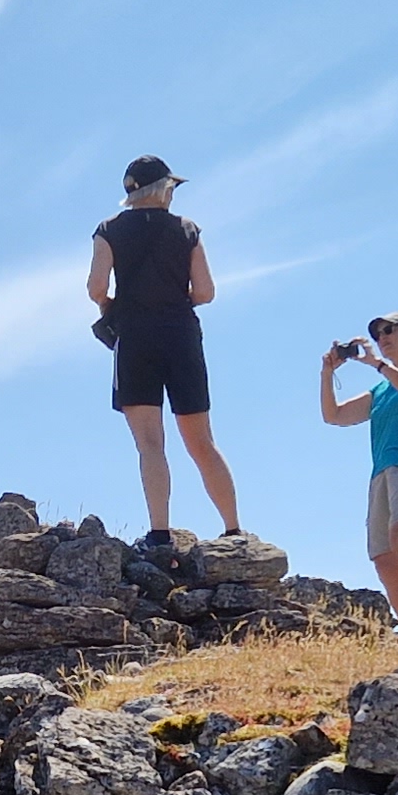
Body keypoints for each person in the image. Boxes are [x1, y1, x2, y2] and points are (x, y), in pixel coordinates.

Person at [86, 154, 240, 546]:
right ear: (162, 188)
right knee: (202, 441)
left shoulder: (109, 230)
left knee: (150, 443)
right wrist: (175, 296)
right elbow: (205, 292)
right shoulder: (187, 230)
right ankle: (234, 529)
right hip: (181, 335)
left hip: (135, 336)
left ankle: (159, 533)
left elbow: (96, 288)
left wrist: (113, 305)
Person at [319, 312, 398, 629]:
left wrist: (378, 364)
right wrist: (327, 374)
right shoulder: (380, 390)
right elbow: (333, 415)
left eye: (390, 329)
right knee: (383, 555)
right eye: (378, 334)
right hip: (381, 472)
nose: (383, 337)